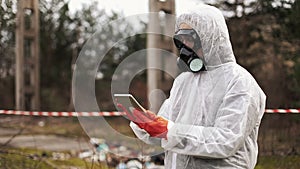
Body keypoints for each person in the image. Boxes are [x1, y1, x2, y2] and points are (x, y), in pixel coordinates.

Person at [118, 4, 266, 169]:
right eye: (181, 40)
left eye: (190, 38)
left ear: (211, 37)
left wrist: (169, 130)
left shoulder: (239, 82)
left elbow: (226, 140)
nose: (185, 46)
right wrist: (145, 124)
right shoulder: (184, 82)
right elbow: (165, 134)